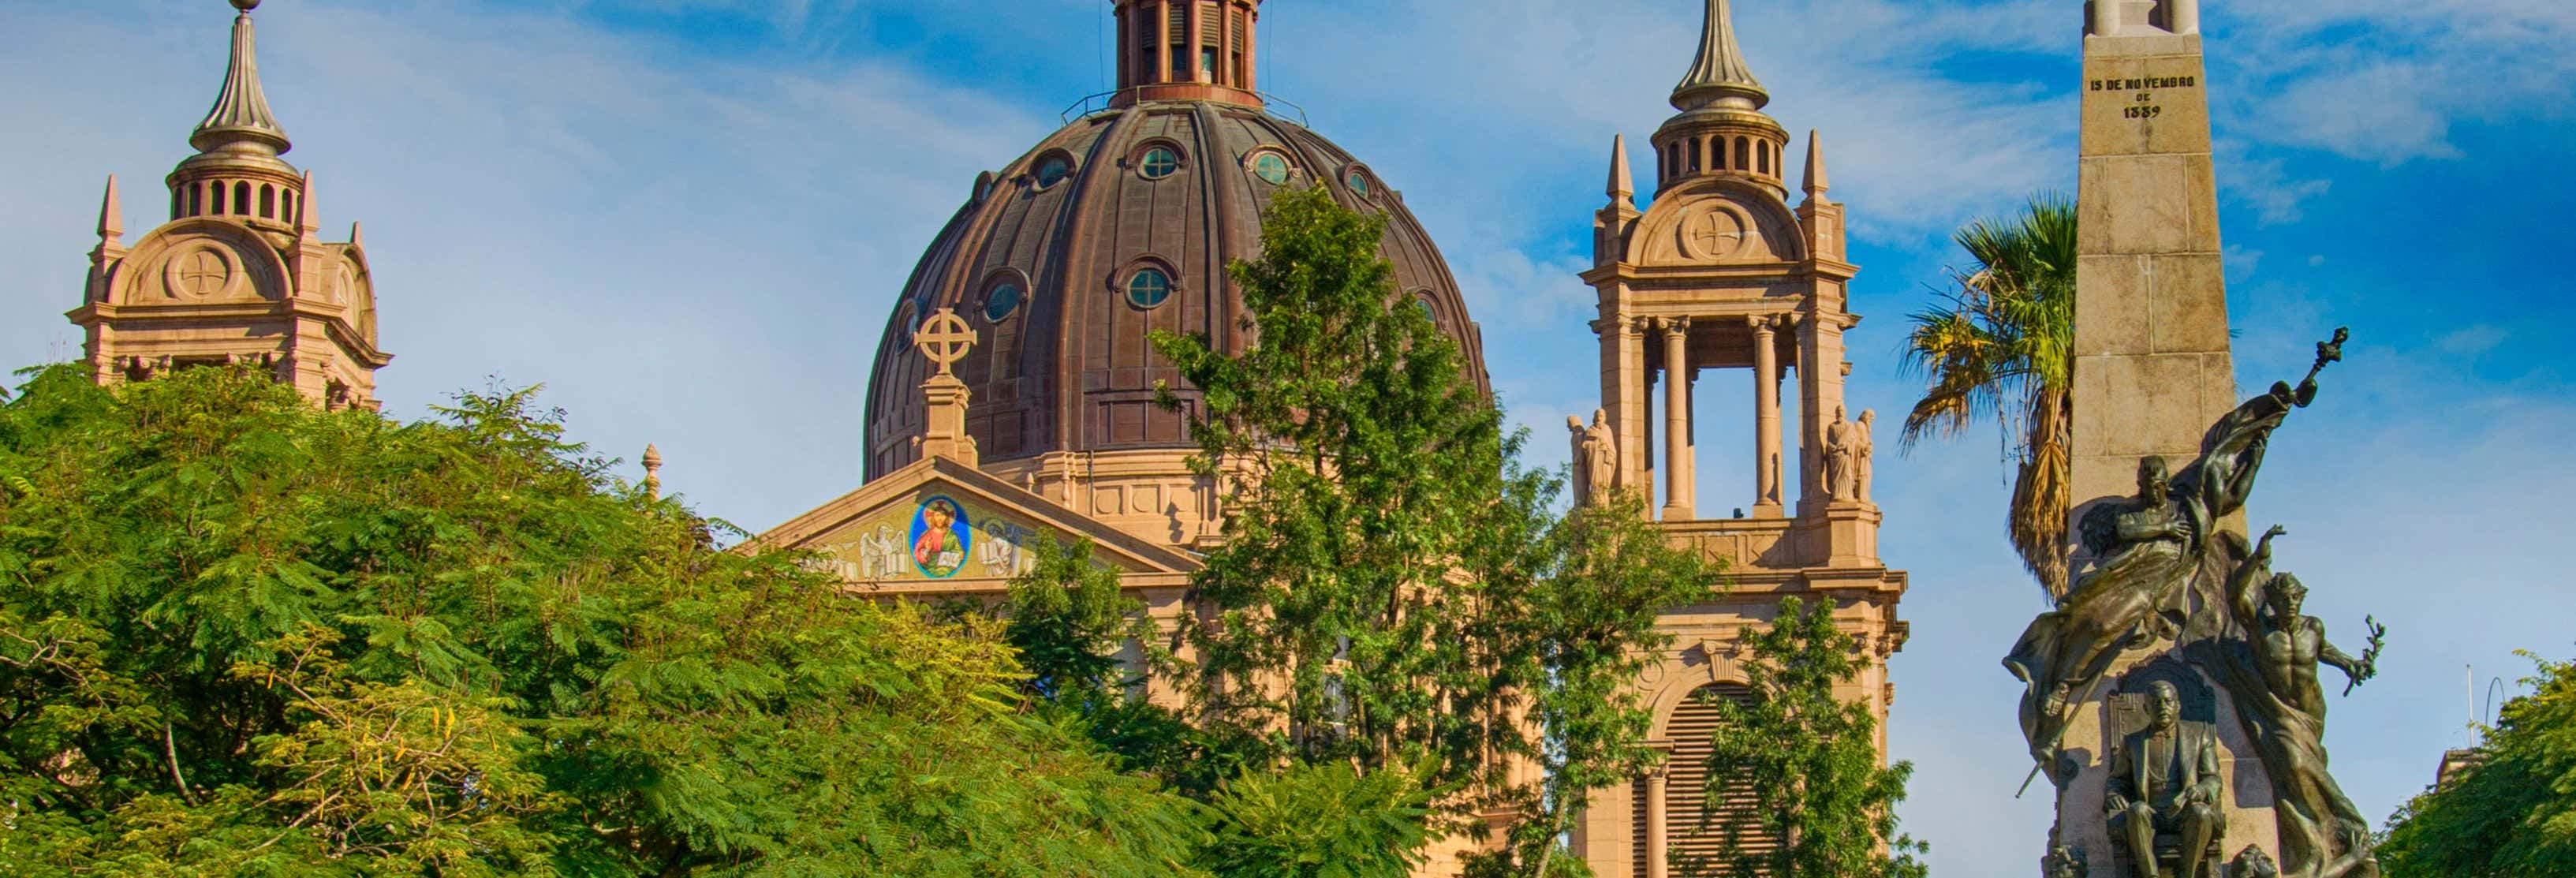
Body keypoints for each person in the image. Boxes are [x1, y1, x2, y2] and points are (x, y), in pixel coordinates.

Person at [2106, 680, 2223, 878]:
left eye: (2168, 701)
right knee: (2136, 810)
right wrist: (2113, 794)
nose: (2163, 707)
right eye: (2156, 703)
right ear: (2146, 708)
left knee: (2201, 813)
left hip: (2184, 811)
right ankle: (2151, 875)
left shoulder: (2198, 737)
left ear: (2178, 706)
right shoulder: (2133, 742)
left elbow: (2213, 779)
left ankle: (2187, 874)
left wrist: (2200, 790)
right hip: (2152, 814)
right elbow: (2118, 780)